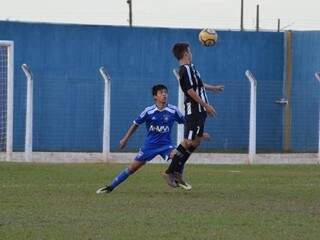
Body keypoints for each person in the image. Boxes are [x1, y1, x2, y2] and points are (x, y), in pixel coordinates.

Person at [97, 84, 191, 194]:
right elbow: (135, 124)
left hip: (166, 145)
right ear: (155, 97)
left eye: (165, 92)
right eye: (161, 93)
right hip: (150, 146)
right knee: (132, 168)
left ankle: (177, 177)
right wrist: (125, 139)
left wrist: (197, 131)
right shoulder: (148, 111)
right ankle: (110, 187)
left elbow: (186, 122)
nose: (164, 94)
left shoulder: (173, 110)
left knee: (179, 155)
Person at [162, 42, 224, 189]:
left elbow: (199, 85)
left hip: (200, 110)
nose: (191, 53)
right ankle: (169, 172)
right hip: (194, 110)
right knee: (187, 142)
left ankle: (177, 172)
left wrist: (213, 88)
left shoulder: (192, 68)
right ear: (185, 53)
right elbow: (189, 91)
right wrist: (206, 105)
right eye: (189, 51)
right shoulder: (184, 70)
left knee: (196, 142)